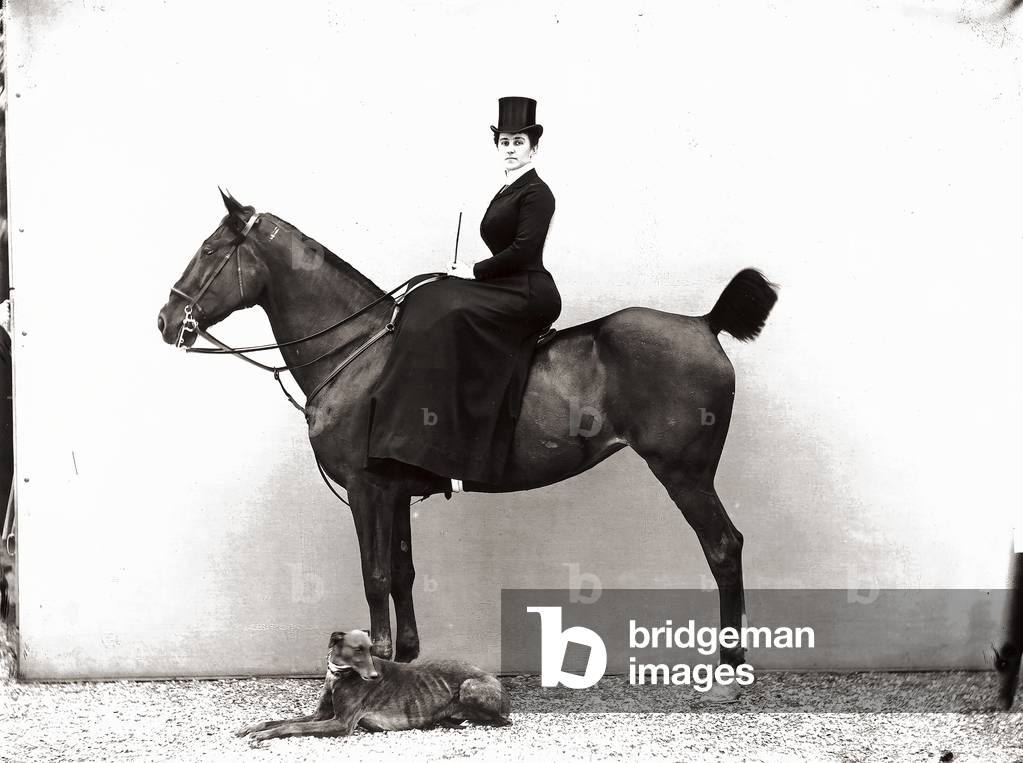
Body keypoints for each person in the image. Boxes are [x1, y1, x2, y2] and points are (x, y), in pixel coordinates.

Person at [364, 96, 562, 493]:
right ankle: (409, 439)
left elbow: (523, 251)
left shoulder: (538, 193)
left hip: (529, 290)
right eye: (504, 142)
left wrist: (473, 271)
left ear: (533, 147)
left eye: (518, 143)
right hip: (506, 283)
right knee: (427, 298)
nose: (510, 149)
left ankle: (456, 451)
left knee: (449, 310)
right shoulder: (507, 190)